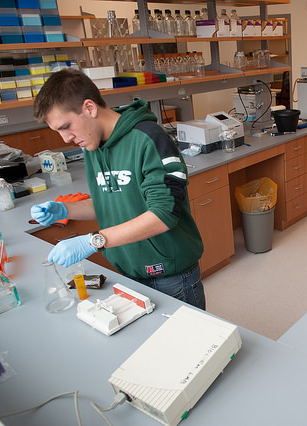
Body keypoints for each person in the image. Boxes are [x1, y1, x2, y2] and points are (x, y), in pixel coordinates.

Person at [30, 68, 205, 310]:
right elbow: (108, 202)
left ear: (89, 108)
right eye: (58, 131)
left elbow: (163, 215)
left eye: (66, 126)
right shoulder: (93, 145)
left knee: (189, 346)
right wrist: (63, 210)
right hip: (127, 270)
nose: (65, 138)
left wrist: (94, 241)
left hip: (170, 276)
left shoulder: (149, 139)